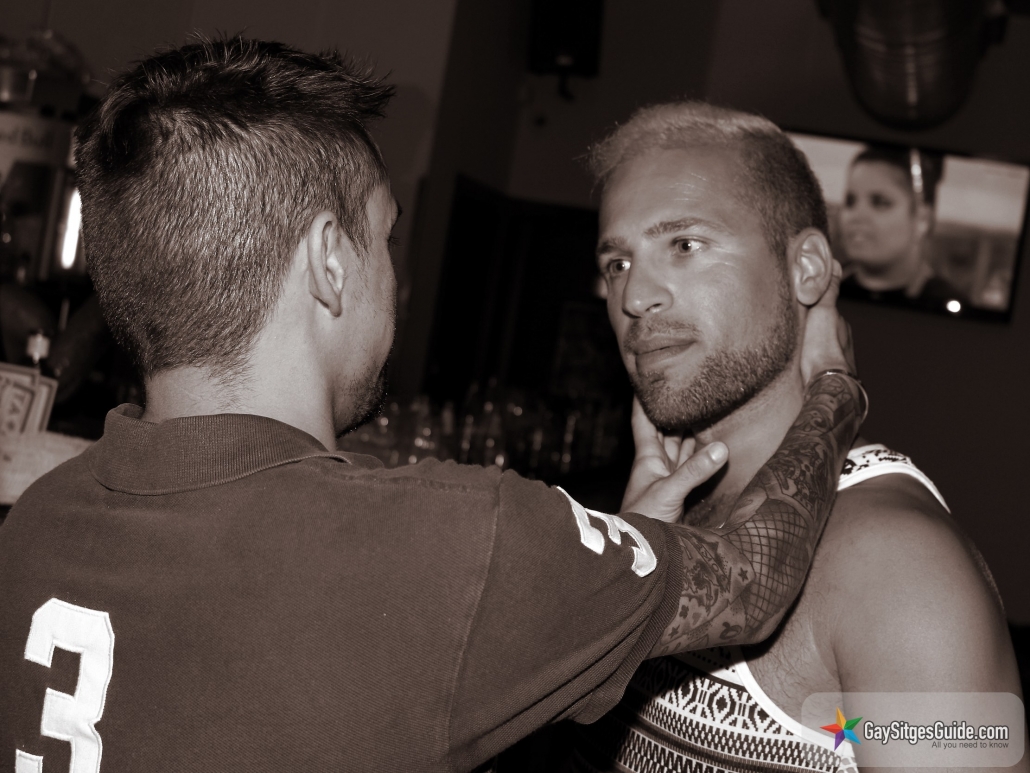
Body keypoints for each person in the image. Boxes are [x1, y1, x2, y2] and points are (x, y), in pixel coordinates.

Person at [0, 41, 864, 773]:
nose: (397, 277)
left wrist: (629, 546)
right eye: (386, 235)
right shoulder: (447, 544)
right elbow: (751, 580)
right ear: (330, 262)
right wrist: (833, 386)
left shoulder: (37, 520)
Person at [567, 102, 1025, 772]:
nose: (635, 297)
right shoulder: (653, 507)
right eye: (616, 263)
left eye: (685, 245)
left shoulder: (899, 568)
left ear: (807, 268)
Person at [838, 145, 967, 313]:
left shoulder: (947, 306)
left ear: (922, 219)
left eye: (880, 202)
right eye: (850, 201)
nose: (857, 216)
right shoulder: (823, 290)